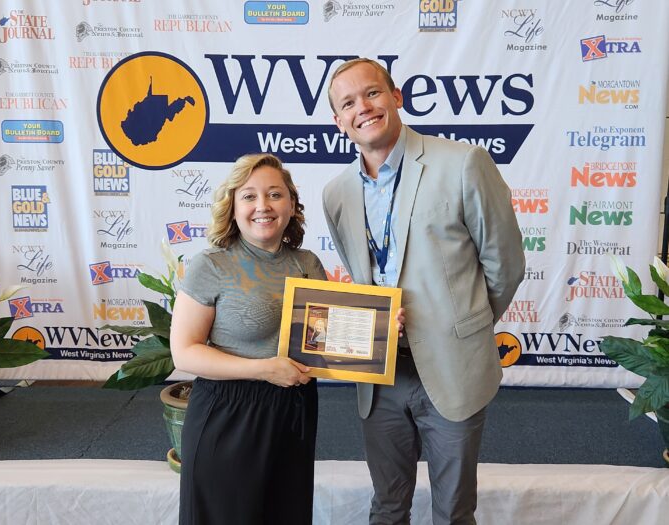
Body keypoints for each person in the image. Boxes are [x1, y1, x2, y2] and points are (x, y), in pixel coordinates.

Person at [322, 58, 525, 525]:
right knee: (387, 507)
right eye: (348, 103)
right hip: (380, 376)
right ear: (339, 121)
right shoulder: (336, 193)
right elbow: (362, 275)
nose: (363, 108)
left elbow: (505, 264)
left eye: (372, 94)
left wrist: (464, 324)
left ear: (396, 97)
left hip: (453, 369)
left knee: (453, 511)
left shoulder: (462, 163)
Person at [171, 153, 326, 525]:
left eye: (275, 194)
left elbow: (325, 341)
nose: (263, 206)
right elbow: (184, 354)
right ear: (233, 206)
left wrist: (383, 329)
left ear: (291, 204)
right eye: (250, 196)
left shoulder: (308, 264)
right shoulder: (211, 265)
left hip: (294, 412)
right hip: (230, 414)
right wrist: (263, 370)